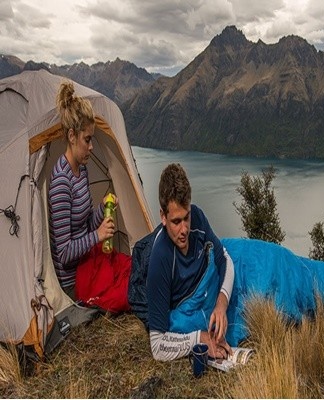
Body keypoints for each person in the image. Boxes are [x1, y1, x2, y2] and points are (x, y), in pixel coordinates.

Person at [48, 81, 130, 312]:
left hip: (89, 261)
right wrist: (98, 235)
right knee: (124, 292)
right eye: (87, 139)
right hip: (74, 279)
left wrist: (101, 212)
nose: (92, 146)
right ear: (72, 136)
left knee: (130, 266)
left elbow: (84, 225)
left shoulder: (81, 169)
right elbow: (64, 254)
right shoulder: (61, 183)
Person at [147, 163, 235, 361]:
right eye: (176, 222)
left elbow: (224, 259)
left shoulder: (197, 217)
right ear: (163, 216)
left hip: (211, 289)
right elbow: (157, 346)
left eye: (186, 218)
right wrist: (200, 339)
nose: (185, 229)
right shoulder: (160, 259)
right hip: (192, 307)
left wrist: (221, 304)